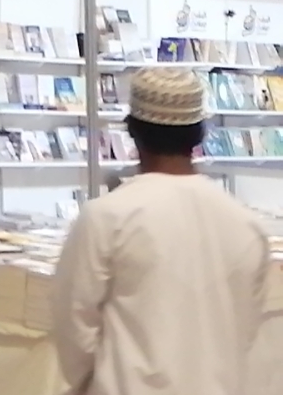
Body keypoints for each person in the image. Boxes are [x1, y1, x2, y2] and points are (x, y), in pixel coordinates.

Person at [52, 68, 269, 395]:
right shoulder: (246, 225)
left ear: (132, 132)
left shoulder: (106, 217)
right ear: (200, 134)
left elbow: (74, 327)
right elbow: (247, 332)